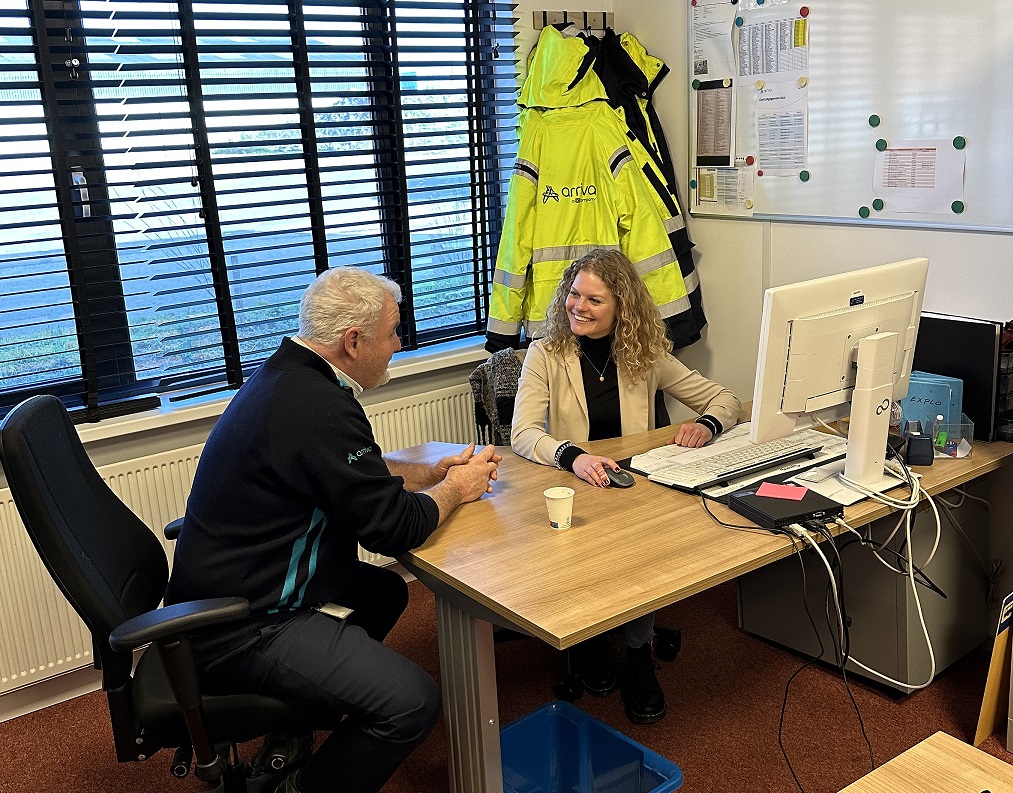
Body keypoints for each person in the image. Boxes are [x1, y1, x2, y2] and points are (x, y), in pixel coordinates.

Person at [165, 267, 501, 793]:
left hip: (230, 589)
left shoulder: (292, 377)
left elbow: (349, 472)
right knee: (412, 702)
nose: (397, 344)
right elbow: (392, 529)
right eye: (391, 333)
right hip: (244, 625)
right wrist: (458, 489)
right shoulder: (317, 406)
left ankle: (295, 716)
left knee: (382, 593)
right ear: (353, 341)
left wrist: (432, 472)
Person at [511, 248, 741, 724]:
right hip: (573, 486)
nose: (578, 307)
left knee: (642, 558)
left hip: (632, 486)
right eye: (574, 294)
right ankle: (591, 639)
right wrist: (572, 457)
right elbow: (524, 433)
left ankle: (638, 653)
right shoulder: (545, 353)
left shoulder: (645, 352)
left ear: (622, 307)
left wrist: (709, 424)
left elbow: (724, 398)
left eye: (594, 299)